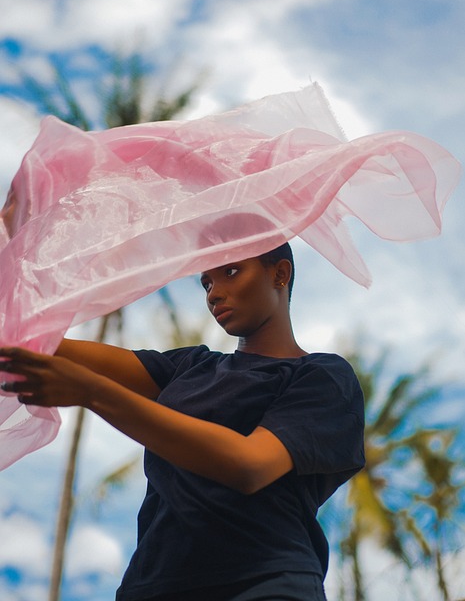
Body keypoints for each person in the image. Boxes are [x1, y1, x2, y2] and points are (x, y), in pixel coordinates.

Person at [0, 241, 365, 601]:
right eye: (206, 282)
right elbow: (33, 346)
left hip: (264, 582)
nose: (214, 293)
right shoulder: (190, 367)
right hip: (153, 587)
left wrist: (93, 394)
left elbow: (249, 465)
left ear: (280, 274)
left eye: (231, 272)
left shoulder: (321, 376)